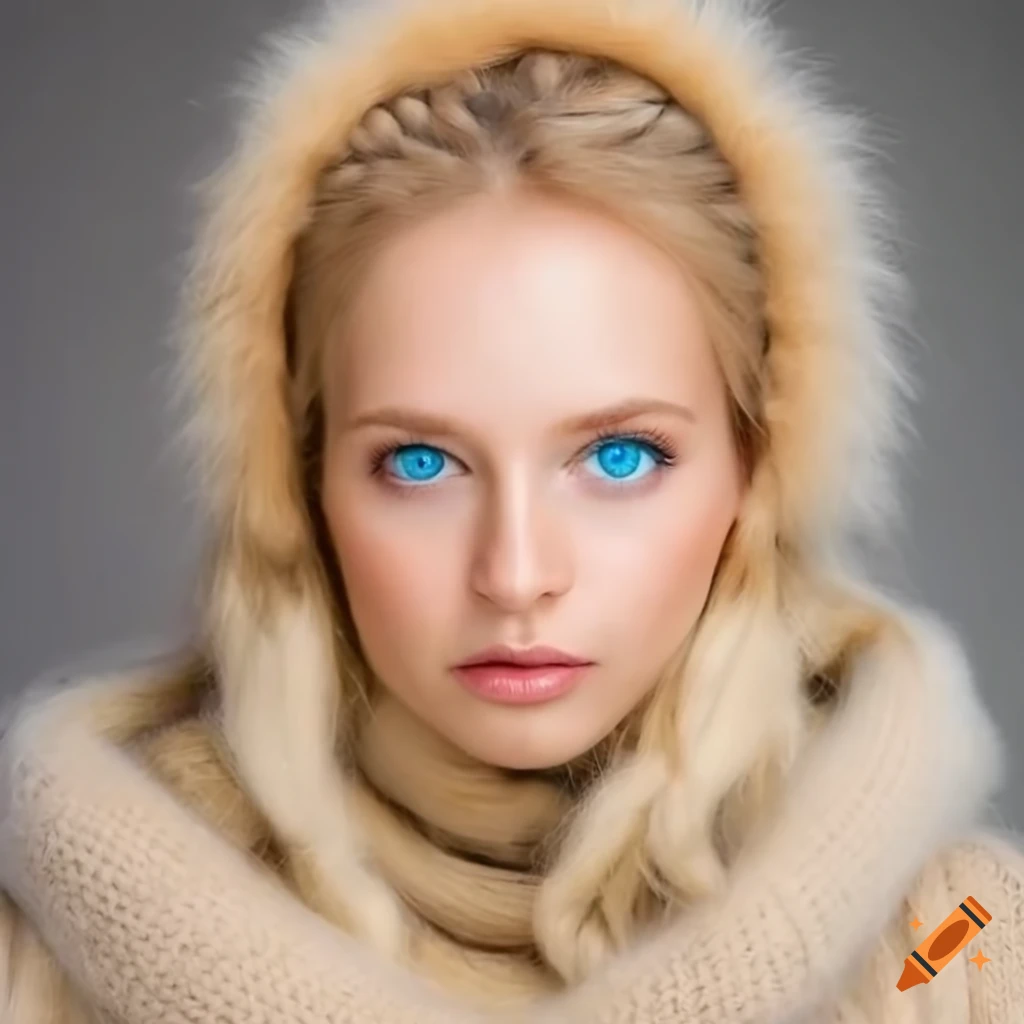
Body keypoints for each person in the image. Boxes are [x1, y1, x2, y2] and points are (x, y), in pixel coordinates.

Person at [1, 0, 1022, 1020]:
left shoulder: (960, 944)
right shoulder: (25, 968)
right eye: (421, 463)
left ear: (755, 474)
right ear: (302, 485)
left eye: (619, 456)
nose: (517, 573)